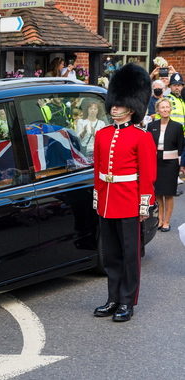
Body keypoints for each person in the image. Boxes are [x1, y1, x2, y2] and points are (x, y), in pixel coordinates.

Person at [93, 63, 156, 322]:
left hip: (129, 202)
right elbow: (97, 169)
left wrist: (145, 204)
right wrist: (97, 196)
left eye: (119, 105)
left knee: (130, 256)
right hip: (107, 202)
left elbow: (148, 174)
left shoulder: (142, 137)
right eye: (113, 104)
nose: (114, 108)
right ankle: (113, 298)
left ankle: (127, 301)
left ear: (131, 107)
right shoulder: (102, 134)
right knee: (111, 255)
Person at [147, 98, 184, 232]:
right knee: (158, 193)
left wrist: (181, 165)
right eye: (162, 107)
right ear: (157, 110)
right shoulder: (151, 126)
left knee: (168, 194)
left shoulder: (177, 126)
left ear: (170, 109)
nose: (165, 109)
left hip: (171, 165)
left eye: (167, 107)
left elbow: (181, 147)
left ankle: (167, 221)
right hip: (156, 163)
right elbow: (148, 146)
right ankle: (160, 219)